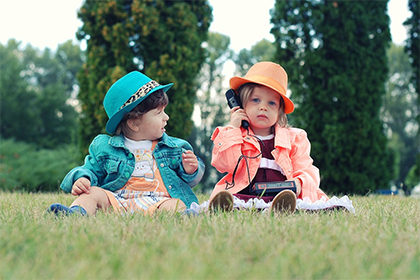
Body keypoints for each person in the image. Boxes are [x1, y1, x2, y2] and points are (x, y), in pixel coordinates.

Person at [48, 71, 204, 216]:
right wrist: (83, 179)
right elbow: (90, 169)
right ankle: (76, 212)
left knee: (176, 204)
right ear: (134, 123)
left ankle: (184, 216)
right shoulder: (105, 147)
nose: (166, 117)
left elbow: (189, 181)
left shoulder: (173, 147)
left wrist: (190, 170)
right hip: (117, 200)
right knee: (91, 193)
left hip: (158, 201)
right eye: (159, 113)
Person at [208, 61, 328, 213]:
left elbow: (306, 169)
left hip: (281, 196)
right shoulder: (234, 135)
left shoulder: (294, 138)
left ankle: (280, 208)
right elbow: (225, 164)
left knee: (298, 203)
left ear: (280, 111)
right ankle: (225, 207)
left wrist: (298, 182)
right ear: (240, 105)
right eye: (255, 100)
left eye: (271, 103)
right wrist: (233, 130)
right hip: (245, 194)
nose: (263, 107)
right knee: (235, 201)